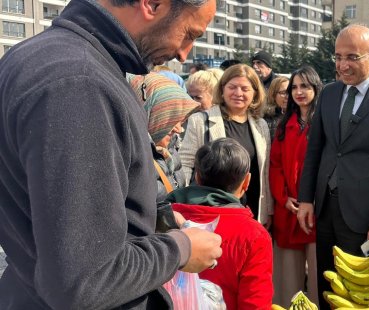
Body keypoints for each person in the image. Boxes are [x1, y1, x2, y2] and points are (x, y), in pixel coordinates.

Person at [0, 0, 223, 307]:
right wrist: (180, 249)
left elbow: (49, 213)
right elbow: (83, 280)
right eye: (189, 33)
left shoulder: (45, 58)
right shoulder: (78, 83)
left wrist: (147, 217)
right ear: (152, 4)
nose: (184, 53)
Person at [295, 24, 369, 309]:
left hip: (364, 218)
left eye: (351, 57)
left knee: (358, 293)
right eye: (338, 57)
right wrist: (306, 199)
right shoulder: (330, 94)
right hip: (325, 210)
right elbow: (315, 150)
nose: (342, 65)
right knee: (327, 283)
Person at [168, 138, 273, 310]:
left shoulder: (166, 216)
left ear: (197, 177)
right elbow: (255, 304)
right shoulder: (254, 235)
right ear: (246, 182)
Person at [180, 64, 273, 228]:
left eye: (245, 88)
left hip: (250, 211)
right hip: (210, 211)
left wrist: (268, 211)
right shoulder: (201, 121)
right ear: (222, 89)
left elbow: (264, 172)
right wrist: (184, 204)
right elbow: (185, 165)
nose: (238, 93)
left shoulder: (261, 125)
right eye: (232, 87)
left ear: (255, 93)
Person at [269, 66, 322, 307]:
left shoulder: (325, 123)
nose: (299, 92)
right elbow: (275, 165)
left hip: (316, 210)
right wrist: (283, 198)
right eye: (294, 87)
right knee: (287, 279)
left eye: (305, 86)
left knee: (320, 277)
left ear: (315, 88)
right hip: (288, 209)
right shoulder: (283, 125)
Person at [128, 73, 200, 201]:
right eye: (171, 119)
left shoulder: (169, 148)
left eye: (181, 120)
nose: (179, 129)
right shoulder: (132, 156)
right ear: (151, 112)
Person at [264, 75, 290, 140]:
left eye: (290, 92)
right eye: (283, 92)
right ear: (273, 95)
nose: (287, 96)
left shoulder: (298, 116)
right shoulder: (265, 119)